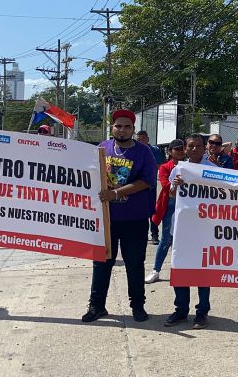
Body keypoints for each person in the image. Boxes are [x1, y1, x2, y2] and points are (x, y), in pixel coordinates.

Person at [82, 110, 157, 323]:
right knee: (102, 262)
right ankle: (96, 305)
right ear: (112, 127)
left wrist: (116, 193)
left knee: (134, 263)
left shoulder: (144, 152)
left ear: (133, 129)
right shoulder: (102, 149)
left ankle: (138, 306)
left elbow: (147, 181)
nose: (122, 130)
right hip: (106, 218)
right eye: (118, 126)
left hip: (135, 218)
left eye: (127, 126)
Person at [164, 133, 219, 329]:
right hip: (182, 228)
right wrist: (176, 186)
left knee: (203, 272)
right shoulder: (179, 169)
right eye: (190, 146)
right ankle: (180, 310)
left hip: (203, 228)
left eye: (197, 146)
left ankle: (202, 312)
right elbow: (171, 195)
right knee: (180, 268)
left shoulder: (213, 170)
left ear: (204, 147)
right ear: (185, 149)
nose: (193, 149)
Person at [145, 139, 186, 284]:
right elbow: (165, 186)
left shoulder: (191, 167)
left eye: (182, 148)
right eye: (177, 149)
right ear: (170, 152)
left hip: (186, 209)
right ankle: (156, 270)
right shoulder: (164, 168)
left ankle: (182, 271)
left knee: (185, 241)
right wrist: (174, 185)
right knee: (166, 240)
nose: (180, 151)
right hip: (170, 208)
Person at [136, 130, 164, 244]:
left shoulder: (154, 150)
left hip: (150, 185)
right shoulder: (133, 150)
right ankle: (140, 235)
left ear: (147, 139)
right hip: (135, 186)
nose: (141, 141)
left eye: (143, 139)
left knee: (152, 210)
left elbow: (158, 165)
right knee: (138, 211)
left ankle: (154, 234)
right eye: (138, 139)